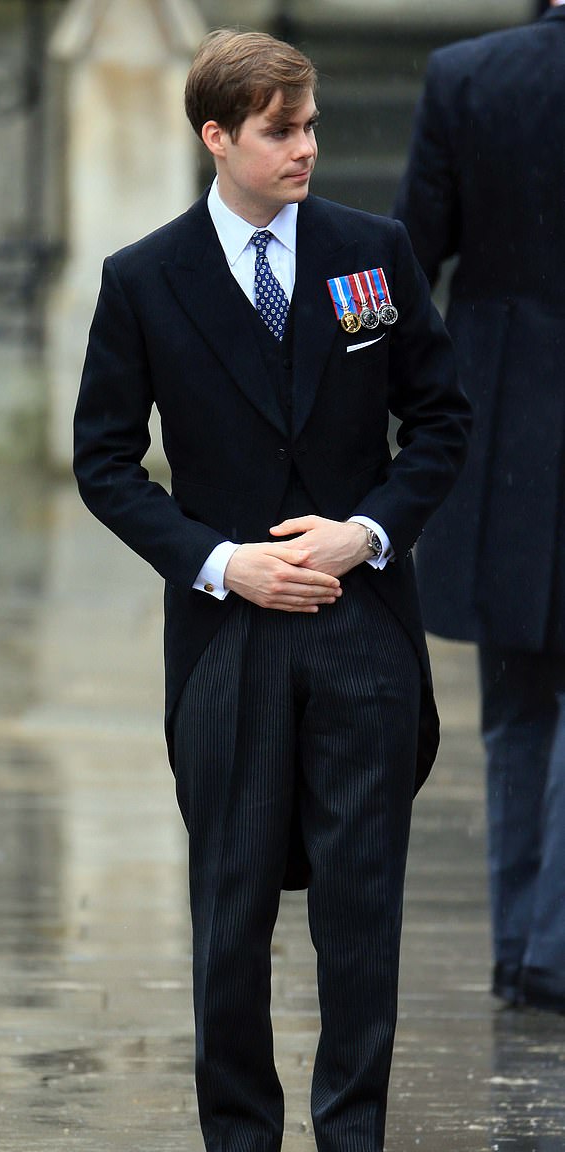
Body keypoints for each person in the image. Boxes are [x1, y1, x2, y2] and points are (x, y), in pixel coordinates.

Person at [73, 29, 470, 1152]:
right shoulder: (144, 277)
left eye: (307, 126)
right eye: (279, 130)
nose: (305, 147)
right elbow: (103, 462)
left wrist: (367, 531)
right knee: (230, 893)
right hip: (226, 637)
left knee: (362, 892)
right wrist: (218, 561)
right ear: (216, 136)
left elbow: (440, 420)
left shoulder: (372, 252)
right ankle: (238, 1146)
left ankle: (356, 1147)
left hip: (360, 621)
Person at [394, 2, 565, 1015]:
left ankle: (518, 949)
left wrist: (351, 386)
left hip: (498, 417)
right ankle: (551, 950)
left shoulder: (466, 73)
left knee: (513, 704)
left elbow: (409, 260)